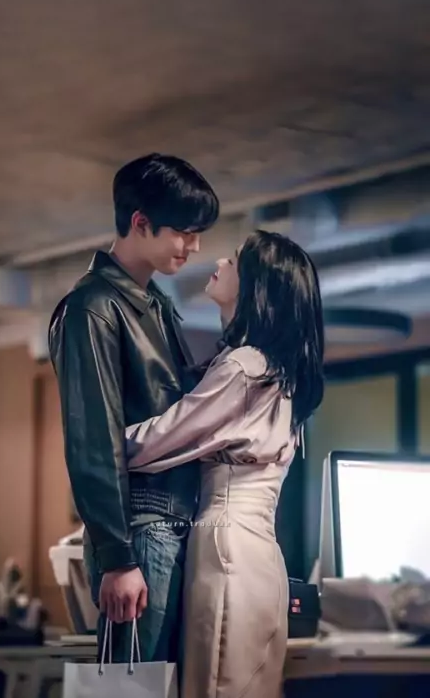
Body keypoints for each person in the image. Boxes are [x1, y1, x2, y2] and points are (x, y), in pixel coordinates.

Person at [125, 230, 325, 698]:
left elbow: (161, 438)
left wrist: (97, 446)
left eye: (233, 260)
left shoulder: (244, 367)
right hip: (259, 552)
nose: (218, 262)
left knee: (214, 687)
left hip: (226, 547)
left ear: (256, 286)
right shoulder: (279, 372)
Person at [48, 152, 219, 664]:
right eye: (183, 232)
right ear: (140, 222)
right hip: (141, 530)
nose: (194, 246)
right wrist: (118, 557)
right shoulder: (94, 307)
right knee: (137, 687)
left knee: (162, 684)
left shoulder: (154, 302)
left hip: (168, 523)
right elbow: (92, 439)